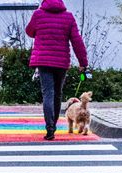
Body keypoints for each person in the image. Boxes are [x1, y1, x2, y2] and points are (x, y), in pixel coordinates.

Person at [25, 0, 89, 141]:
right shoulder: (68, 17)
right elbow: (76, 40)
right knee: (57, 94)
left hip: (43, 61)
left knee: (48, 93)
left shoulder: (38, 14)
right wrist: (83, 62)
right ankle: (53, 124)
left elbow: (29, 31)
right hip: (61, 62)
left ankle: (50, 129)